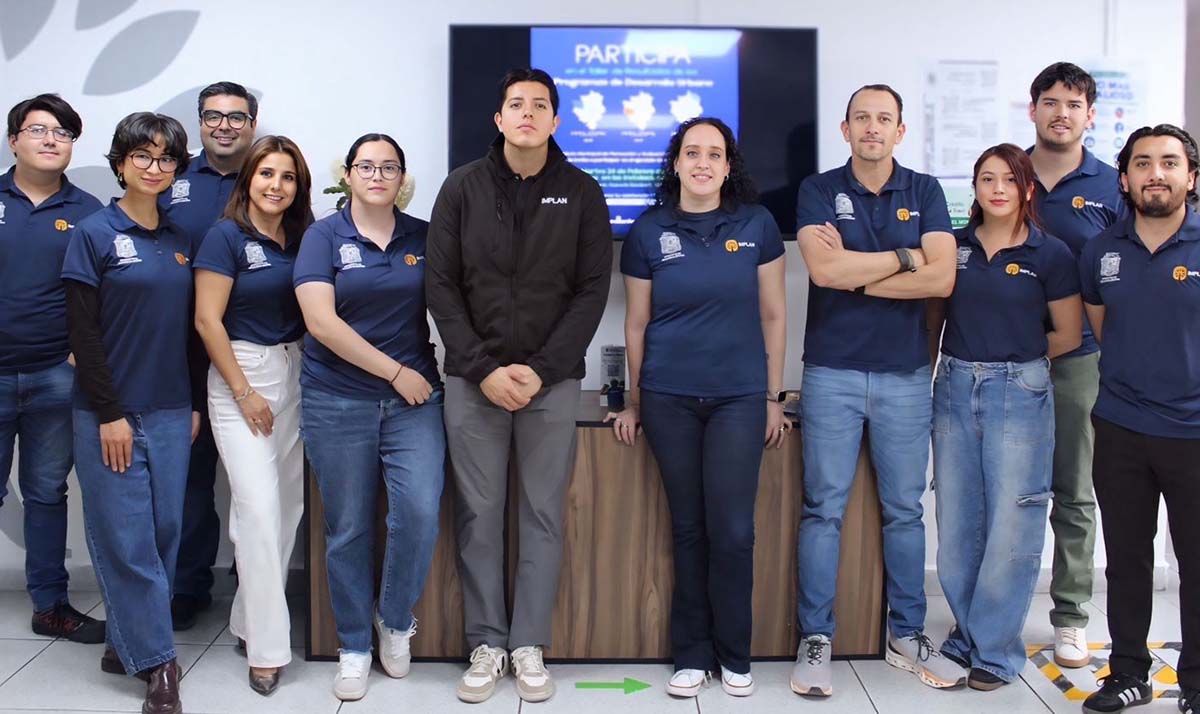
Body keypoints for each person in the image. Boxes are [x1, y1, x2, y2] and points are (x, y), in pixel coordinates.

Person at [426, 67, 612, 704]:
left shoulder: (582, 191)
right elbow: (441, 287)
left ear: (556, 121)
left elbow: (592, 290)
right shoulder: (461, 188)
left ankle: (528, 642)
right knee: (478, 515)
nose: (527, 113)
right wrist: (482, 368)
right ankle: (487, 642)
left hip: (550, 383)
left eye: (539, 105)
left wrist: (543, 368)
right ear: (499, 119)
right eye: (516, 104)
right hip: (473, 381)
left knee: (541, 513)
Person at [790, 84, 964, 696]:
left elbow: (943, 279)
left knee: (905, 511)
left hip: (906, 374)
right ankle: (815, 638)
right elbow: (823, 270)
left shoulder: (926, 190)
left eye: (883, 119)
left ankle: (907, 634)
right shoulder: (817, 189)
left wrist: (858, 276)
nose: (872, 127)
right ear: (845, 130)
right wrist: (905, 257)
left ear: (899, 131)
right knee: (823, 510)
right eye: (861, 118)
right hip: (831, 371)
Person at [607, 117, 787, 698]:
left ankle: (735, 655)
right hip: (669, 398)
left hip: (739, 396)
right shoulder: (648, 230)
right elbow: (636, 324)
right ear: (676, 163)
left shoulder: (757, 224)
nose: (702, 163)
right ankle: (691, 654)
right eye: (692, 153)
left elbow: (774, 315)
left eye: (714, 154)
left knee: (732, 530)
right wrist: (635, 401)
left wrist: (772, 397)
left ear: (728, 166)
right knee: (687, 528)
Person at [294, 133, 444, 702]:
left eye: (389, 167)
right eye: (366, 166)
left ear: (402, 177)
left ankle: (395, 620)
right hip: (337, 400)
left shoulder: (424, 236)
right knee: (349, 527)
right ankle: (354, 645)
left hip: (414, 404)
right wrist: (394, 372)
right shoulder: (323, 236)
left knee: (419, 512)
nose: (377, 175)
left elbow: (457, 302)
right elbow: (321, 323)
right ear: (348, 174)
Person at [927, 144, 1082, 691]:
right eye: (987, 179)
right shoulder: (954, 247)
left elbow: (1067, 333)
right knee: (957, 520)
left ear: (1027, 188)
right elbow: (933, 320)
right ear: (973, 188)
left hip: (1020, 389)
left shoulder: (1051, 253)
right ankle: (967, 632)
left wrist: (1015, 361)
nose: (997, 189)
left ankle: (995, 650)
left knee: (1012, 521)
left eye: (1009, 180)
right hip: (954, 384)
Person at [61, 111, 197, 714]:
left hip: (171, 409)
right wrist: (108, 412)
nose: (154, 167)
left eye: (166, 158)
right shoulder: (93, 233)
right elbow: (82, 334)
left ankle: (124, 644)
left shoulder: (181, 240)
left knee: (165, 533)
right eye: (142, 155)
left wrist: (194, 404)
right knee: (127, 540)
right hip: (109, 413)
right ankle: (160, 665)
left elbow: (192, 332)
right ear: (120, 163)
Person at [1077, 124, 1200, 714]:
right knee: (1126, 559)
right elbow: (1105, 328)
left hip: (1194, 433)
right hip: (1121, 427)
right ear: (1124, 178)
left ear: (1191, 178)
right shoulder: (1101, 251)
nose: (1156, 173)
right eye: (1143, 163)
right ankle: (1128, 673)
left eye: (1169, 163)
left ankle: (1196, 681)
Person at [193, 135, 312, 696]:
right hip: (241, 376)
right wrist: (243, 392)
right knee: (259, 512)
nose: (276, 186)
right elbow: (207, 320)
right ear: (248, 179)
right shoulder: (226, 236)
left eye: (287, 177)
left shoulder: (303, 236)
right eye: (267, 173)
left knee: (286, 509)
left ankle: (246, 619)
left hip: (294, 372)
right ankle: (267, 650)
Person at [1026, 62, 1126, 668]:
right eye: (1051, 102)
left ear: (1090, 115)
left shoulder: (1113, 185)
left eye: (1073, 104)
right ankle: (995, 610)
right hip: (1005, 359)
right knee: (1006, 493)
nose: (1061, 113)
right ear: (1033, 109)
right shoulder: (1006, 174)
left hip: (1079, 361)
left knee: (1073, 492)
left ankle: (1070, 617)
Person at [0, 94, 104, 643]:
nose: (50, 140)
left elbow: (105, 292)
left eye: (62, 133)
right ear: (14, 140)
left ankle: (50, 606)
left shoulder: (89, 211)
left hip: (55, 376)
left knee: (46, 493)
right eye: (38, 129)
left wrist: (80, 351)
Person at [167, 80, 259, 631]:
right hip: (180, 348)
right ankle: (187, 585)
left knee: (255, 478)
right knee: (191, 477)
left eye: (236, 116)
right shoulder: (171, 177)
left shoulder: (269, 176)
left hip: (250, 348)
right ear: (200, 122)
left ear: (253, 123)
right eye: (213, 116)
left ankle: (255, 585)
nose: (225, 125)